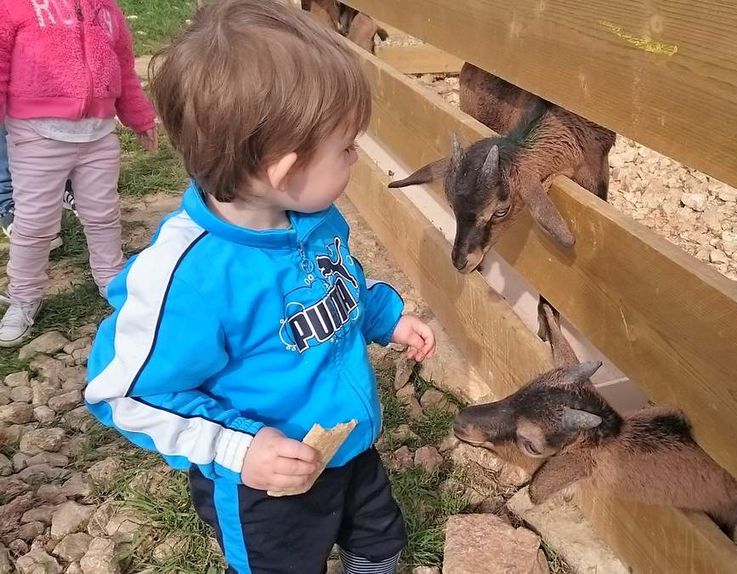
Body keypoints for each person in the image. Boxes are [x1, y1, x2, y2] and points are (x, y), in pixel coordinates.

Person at [84, 1, 436, 572]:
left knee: (374, 527)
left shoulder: (313, 217)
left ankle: (370, 558)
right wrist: (239, 448)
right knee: (285, 559)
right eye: (346, 148)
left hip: (347, 438)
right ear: (283, 169)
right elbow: (123, 392)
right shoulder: (190, 278)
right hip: (267, 482)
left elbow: (337, 284)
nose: (355, 158)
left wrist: (382, 317)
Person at [0, 0, 158, 346]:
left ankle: (111, 279)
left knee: (103, 212)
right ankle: (24, 295)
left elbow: (125, 70)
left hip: (98, 133)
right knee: (35, 221)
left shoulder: (108, 11)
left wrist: (140, 118)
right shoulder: (15, 7)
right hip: (35, 133)